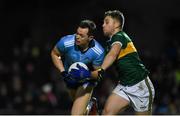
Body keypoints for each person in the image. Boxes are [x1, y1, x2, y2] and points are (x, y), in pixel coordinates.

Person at [74, 10, 155, 115]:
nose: (103, 25)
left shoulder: (120, 36)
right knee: (107, 113)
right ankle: (94, 112)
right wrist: (87, 73)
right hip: (124, 85)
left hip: (140, 86)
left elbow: (113, 54)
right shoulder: (110, 43)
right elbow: (103, 59)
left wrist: (100, 70)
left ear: (116, 24)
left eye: (107, 22)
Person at [51, 19, 104, 115]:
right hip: (70, 79)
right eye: (77, 33)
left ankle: (88, 106)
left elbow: (99, 74)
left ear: (90, 37)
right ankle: (90, 106)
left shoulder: (98, 51)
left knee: (76, 114)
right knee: (80, 109)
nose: (77, 37)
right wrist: (63, 72)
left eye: (81, 35)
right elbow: (54, 54)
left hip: (87, 82)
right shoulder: (66, 42)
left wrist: (86, 74)